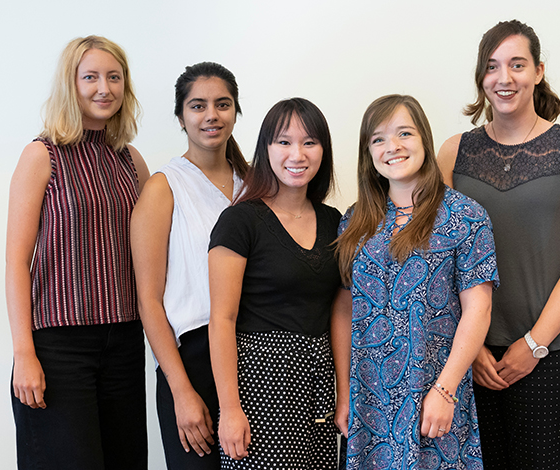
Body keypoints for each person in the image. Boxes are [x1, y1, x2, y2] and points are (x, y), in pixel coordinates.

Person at [437, 19, 560, 469]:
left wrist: (534, 344)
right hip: (469, 355)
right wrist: (466, 352)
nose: (504, 78)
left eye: (516, 65)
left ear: (538, 71)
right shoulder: (453, 152)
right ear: (481, 77)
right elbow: (436, 261)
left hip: (548, 353)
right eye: (492, 67)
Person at [5, 35, 150, 469]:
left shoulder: (130, 160)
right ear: (70, 84)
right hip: (57, 346)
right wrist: (23, 354)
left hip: (124, 340)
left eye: (114, 77)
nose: (103, 88)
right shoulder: (41, 155)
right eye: (90, 77)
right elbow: (16, 262)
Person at [333, 94, 499, 469]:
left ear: (423, 137)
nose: (392, 147)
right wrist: (345, 393)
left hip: (434, 392)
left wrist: (446, 389)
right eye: (378, 139)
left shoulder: (465, 216)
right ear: (368, 153)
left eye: (403, 133)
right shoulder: (355, 222)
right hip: (368, 400)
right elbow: (344, 308)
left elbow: (479, 309)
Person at [208, 98, 342, 469]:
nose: (296, 154)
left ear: (323, 151)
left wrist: (343, 395)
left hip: (317, 384)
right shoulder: (239, 221)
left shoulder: (335, 222)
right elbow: (221, 320)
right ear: (265, 149)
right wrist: (230, 410)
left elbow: (339, 311)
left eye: (309, 142)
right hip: (260, 386)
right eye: (283, 142)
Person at [131, 62, 249, 469]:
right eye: (198, 106)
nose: (211, 115)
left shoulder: (255, 185)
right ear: (181, 116)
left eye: (222, 104)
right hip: (192, 361)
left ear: (236, 110)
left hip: (250, 354)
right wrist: (181, 390)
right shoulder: (164, 186)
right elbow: (148, 300)